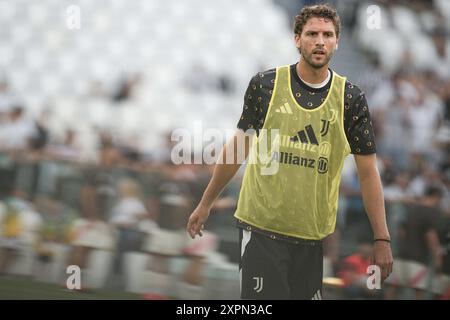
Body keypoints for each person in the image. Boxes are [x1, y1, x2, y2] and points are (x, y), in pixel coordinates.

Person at [187, 4, 393, 300]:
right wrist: (206, 202)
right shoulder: (265, 86)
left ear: (337, 41)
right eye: (312, 34)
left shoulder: (351, 99)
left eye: (327, 34)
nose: (320, 41)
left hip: (311, 239)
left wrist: (382, 237)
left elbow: (368, 174)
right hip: (261, 231)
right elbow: (237, 149)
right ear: (297, 39)